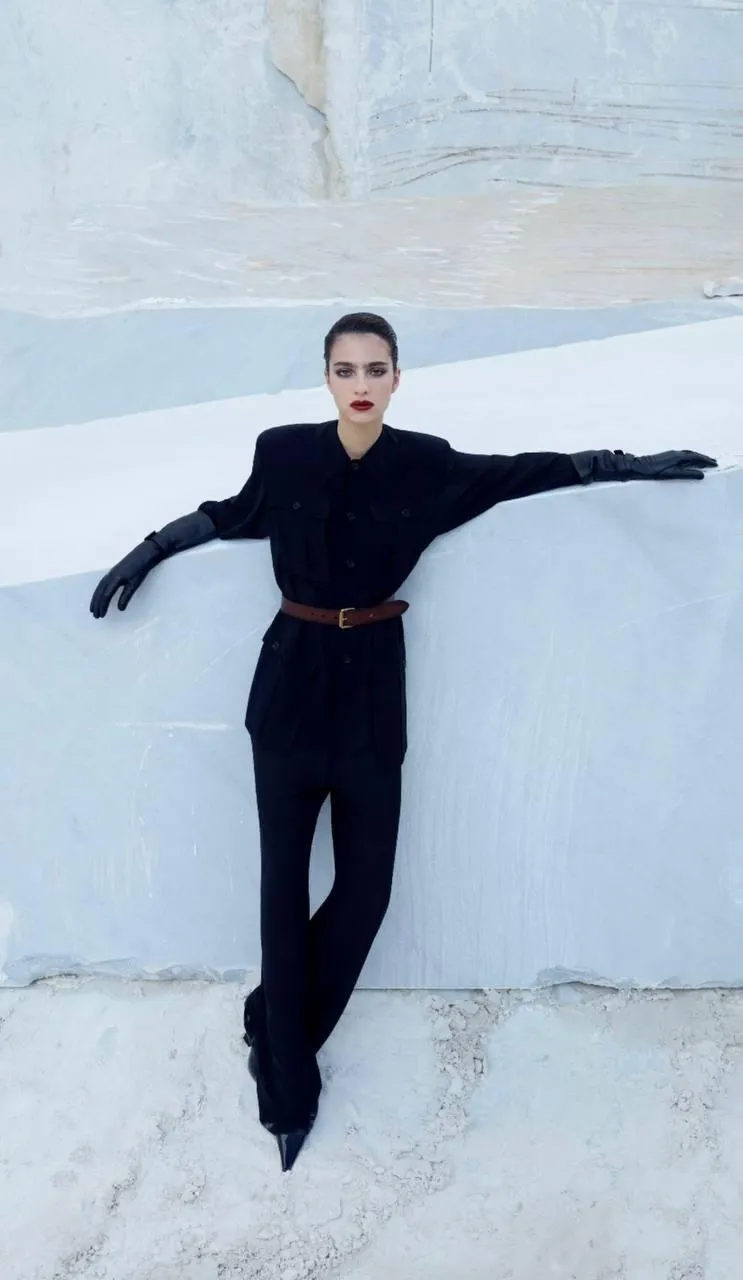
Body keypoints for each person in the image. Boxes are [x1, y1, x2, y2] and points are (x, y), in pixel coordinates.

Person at [90, 311, 717, 1170]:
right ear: (325, 376)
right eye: (344, 368)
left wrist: (620, 465)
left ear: (395, 378)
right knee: (279, 889)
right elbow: (235, 515)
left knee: (367, 886)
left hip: (373, 687)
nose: (359, 383)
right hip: (288, 680)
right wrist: (152, 547)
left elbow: (516, 475)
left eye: (375, 369)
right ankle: (287, 1094)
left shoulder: (425, 463)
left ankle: (272, 1026)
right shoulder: (283, 450)